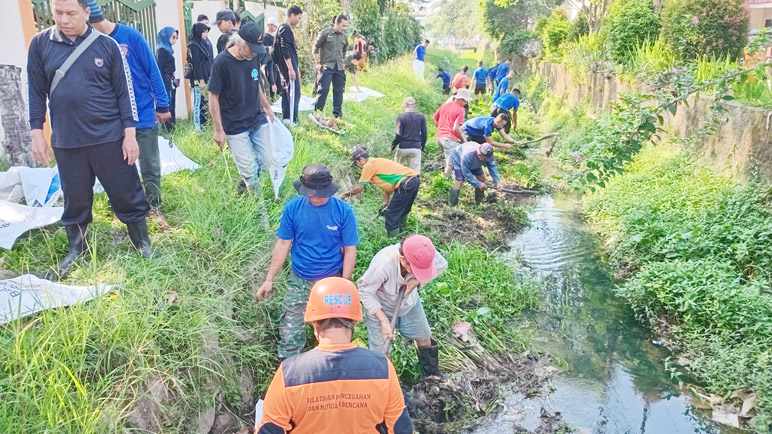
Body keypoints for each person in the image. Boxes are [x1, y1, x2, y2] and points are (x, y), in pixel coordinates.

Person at [28, 0, 157, 280]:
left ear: (87, 13)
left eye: (71, 13)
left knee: (127, 191)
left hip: (109, 137)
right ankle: (77, 249)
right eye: (58, 13)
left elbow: (126, 94)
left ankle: (142, 244)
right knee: (74, 198)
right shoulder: (40, 44)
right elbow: (36, 91)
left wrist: (130, 135)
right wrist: (36, 131)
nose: (64, 20)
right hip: (67, 140)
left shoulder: (107, 46)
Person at [256, 277, 413, 434]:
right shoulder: (382, 368)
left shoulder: (289, 373)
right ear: (355, 322)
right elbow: (401, 429)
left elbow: (269, 430)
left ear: (314, 323)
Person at [255, 165, 359, 359]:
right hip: (300, 278)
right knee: (290, 331)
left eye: (319, 194)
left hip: (331, 279)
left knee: (336, 328)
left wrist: (344, 283)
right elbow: (284, 243)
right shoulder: (293, 208)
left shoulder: (343, 211)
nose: (315, 198)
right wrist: (269, 278)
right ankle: (291, 369)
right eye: (310, 194)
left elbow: (350, 249)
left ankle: (332, 365)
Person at [89, 3, 171, 220]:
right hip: (113, 118)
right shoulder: (91, 43)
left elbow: (152, 69)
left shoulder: (131, 36)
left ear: (92, 20)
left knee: (149, 164)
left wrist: (162, 104)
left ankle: (153, 204)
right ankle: (120, 204)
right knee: (117, 165)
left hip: (143, 113)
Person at [357, 235, 447, 377]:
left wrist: (416, 281)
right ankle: (388, 385)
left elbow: (442, 265)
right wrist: (383, 321)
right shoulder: (384, 263)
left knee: (424, 335)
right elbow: (364, 291)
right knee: (380, 353)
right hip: (381, 306)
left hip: (409, 303)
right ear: (403, 260)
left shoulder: (426, 252)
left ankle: (432, 375)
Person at [208, 22, 276, 195]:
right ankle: (260, 213)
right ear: (239, 42)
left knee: (267, 160)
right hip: (234, 125)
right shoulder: (221, 62)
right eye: (251, 48)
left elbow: (256, 84)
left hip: (255, 117)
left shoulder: (253, 57)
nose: (254, 53)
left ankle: (243, 186)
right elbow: (213, 97)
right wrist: (218, 130)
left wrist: (266, 106)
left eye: (256, 49)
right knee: (250, 171)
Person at [341, 147, 419, 237]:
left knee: (391, 213)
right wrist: (385, 204)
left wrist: (343, 195)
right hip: (413, 180)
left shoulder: (368, 166)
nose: (358, 166)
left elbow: (359, 188)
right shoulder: (377, 161)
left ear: (361, 160)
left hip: (406, 183)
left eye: (356, 163)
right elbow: (387, 186)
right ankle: (402, 234)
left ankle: (394, 241)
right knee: (403, 209)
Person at [314, 14, 349, 119]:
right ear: (336, 23)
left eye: (346, 26)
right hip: (326, 67)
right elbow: (315, 47)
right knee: (323, 90)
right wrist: (318, 63)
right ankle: (317, 114)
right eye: (343, 25)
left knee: (339, 91)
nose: (344, 28)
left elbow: (344, 51)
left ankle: (337, 115)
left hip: (339, 68)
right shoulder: (325, 33)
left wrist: (342, 61)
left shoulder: (344, 37)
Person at [274, 5, 303, 125]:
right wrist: (291, 68)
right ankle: (292, 120)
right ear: (292, 15)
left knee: (287, 92)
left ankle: (287, 119)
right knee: (294, 94)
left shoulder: (282, 28)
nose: (299, 21)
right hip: (287, 67)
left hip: (287, 66)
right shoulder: (285, 28)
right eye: (299, 18)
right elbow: (284, 49)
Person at [432, 88, 471, 176]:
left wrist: (440, 127)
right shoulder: (461, 110)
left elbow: (433, 118)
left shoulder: (445, 105)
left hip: (439, 137)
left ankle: (445, 175)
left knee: (446, 158)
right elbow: (456, 128)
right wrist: (462, 139)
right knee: (451, 162)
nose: (466, 103)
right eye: (465, 101)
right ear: (461, 99)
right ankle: (445, 182)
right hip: (449, 138)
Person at [389, 97, 427, 173]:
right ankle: (413, 183)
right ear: (415, 105)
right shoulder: (421, 117)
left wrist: (392, 147)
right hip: (416, 147)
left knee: (397, 169)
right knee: (415, 172)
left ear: (404, 106)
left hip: (403, 147)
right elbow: (424, 134)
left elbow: (398, 135)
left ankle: (398, 183)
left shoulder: (401, 117)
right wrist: (422, 147)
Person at [188, 23, 212, 131]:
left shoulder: (202, 43)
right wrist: (201, 80)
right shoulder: (193, 45)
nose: (206, 34)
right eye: (204, 31)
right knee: (198, 102)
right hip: (198, 79)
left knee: (204, 102)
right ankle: (197, 128)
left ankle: (204, 124)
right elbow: (197, 64)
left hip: (206, 77)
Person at [156, 27, 179, 133]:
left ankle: (171, 128)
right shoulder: (162, 50)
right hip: (166, 81)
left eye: (176, 37)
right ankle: (168, 129)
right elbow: (160, 69)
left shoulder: (167, 49)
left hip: (170, 80)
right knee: (168, 105)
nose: (175, 40)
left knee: (172, 104)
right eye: (173, 37)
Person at [262, 16, 280, 98]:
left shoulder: (274, 37)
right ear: (269, 25)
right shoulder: (265, 37)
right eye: (274, 25)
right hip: (269, 63)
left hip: (275, 64)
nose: (276, 27)